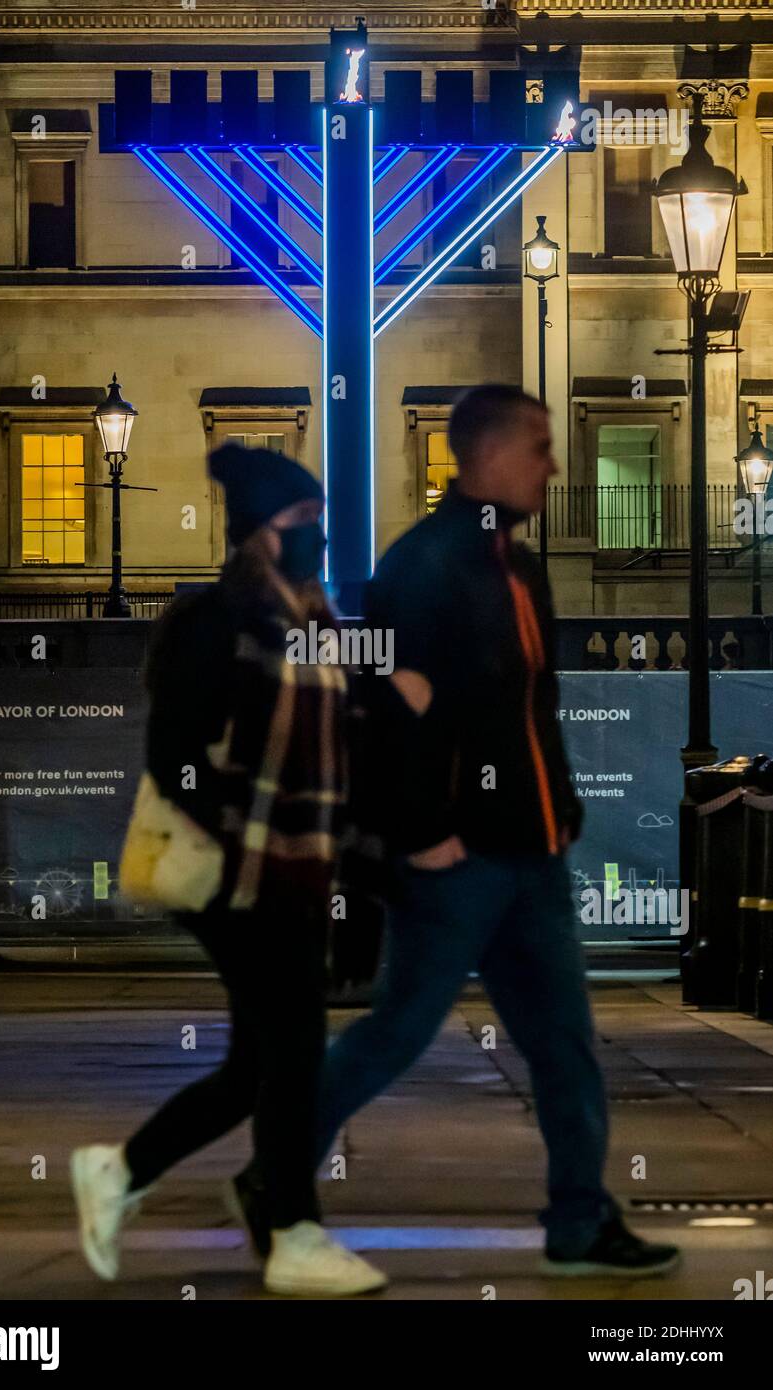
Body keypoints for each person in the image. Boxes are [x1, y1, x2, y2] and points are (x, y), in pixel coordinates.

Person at [235, 385, 680, 1280]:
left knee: (562, 1043)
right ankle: (272, 1175)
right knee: (396, 1033)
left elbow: (528, 705)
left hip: (533, 847)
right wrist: (421, 832)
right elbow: (391, 713)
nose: (554, 466)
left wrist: (557, 810)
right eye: (540, 447)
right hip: (458, 858)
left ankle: (580, 1221)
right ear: (487, 459)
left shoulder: (517, 564)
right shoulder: (428, 565)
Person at [70, 442, 386, 1298]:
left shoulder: (320, 629)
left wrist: (358, 884)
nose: (317, 540)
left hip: (299, 873)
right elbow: (171, 755)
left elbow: (349, 766)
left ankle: (121, 1171)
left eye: (323, 524)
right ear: (258, 534)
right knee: (290, 1048)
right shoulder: (212, 625)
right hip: (230, 875)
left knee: (259, 1063)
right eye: (302, 524)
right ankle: (291, 1228)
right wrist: (237, 833)